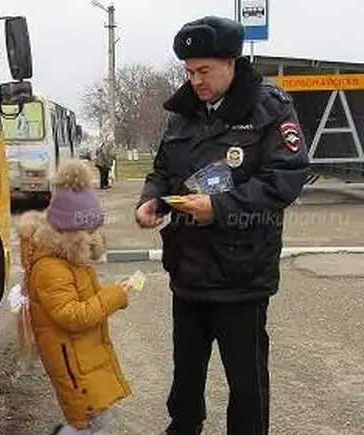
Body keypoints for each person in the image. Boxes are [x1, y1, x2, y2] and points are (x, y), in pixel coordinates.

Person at [134, 16, 310, 435]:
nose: (196, 81)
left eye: (204, 71)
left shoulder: (269, 107)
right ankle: (183, 426)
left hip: (241, 272)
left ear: (231, 63)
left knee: (246, 382)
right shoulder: (182, 113)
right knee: (186, 370)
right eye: (189, 71)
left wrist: (221, 207)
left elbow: (287, 177)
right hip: (188, 267)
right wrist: (150, 200)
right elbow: (163, 169)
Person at [16, 159, 132, 435]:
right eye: (89, 231)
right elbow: (72, 315)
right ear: (68, 230)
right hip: (70, 358)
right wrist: (114, 297)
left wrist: (115, 291)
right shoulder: (50, 267)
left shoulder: (70, 257)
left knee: (98, 414)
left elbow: (84, 298)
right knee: (89, 418)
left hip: (81, 352)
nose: (94, 238)